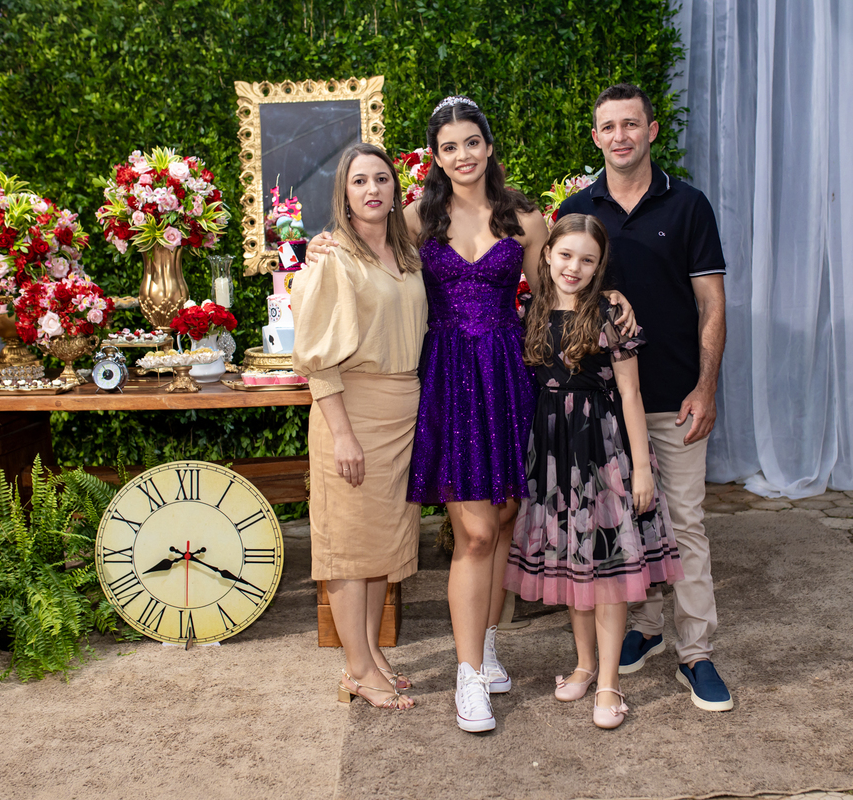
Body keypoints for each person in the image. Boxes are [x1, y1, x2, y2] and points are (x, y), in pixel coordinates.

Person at [309, 96, 636, 733]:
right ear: (435, 156)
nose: (463, 155)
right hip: (448, 378)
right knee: (477, 533)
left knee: (506, 515)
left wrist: (609, 295)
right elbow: (365, 248)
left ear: (488, 146)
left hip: (511, 374)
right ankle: (467, 678)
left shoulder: (526, 217)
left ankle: (485, 650)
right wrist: (324, 244)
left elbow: (557, 294)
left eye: (472, 142)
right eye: (449, 146)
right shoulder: (415, 218)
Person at [556, 83, 732, 712]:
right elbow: (559, 294)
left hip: (673, 399)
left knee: (683, 525)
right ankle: (649, 627)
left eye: (631, 124)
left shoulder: (688, 205)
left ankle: (696, 653)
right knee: (624, 527)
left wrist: (706, 387)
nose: (620, 136)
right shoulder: (578, 209)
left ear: (652, 131)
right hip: (598, 412)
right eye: (609, 127)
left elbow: (712, 303)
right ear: (595, 136)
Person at [503, 214, 683, 730]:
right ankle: (583, 665)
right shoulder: (529, 311)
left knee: (606, 572)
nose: (574, 267)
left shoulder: (609, 314)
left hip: (601, 452)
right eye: (565, 255)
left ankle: (608, 682)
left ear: (600, 265)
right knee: (571, 566)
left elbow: (630, 393)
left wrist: (642, 469)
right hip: (550, 455)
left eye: (587, 259)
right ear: (546, 255)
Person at [288, 142, 427, 711]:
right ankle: (357, 669)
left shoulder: (406, 252)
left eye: (382, 179)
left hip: (402, 412)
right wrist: (343, 434)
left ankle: (370, 656)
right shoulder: (333, 258)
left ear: (396, 189)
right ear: (343, 195)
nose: (373, 189)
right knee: (349, 549)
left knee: (378, 550)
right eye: (359, 181)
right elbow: (318, 358)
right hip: (353, 412)